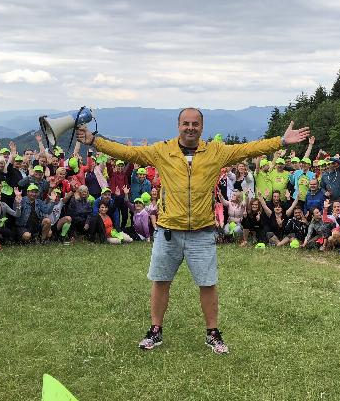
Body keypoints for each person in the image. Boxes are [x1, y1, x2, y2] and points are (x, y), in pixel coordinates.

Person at [77, 107, 309, 354]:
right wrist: (94, 141)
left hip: (201, 231)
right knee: (160, 281)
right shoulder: (162, 150)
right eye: (186, 123)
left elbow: (249, 149)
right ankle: (155, 330)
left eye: (195, 124)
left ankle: (212, 333)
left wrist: (281, 141)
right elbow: (128, 152)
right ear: (178, 126)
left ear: (202, 126)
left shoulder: (216, 152)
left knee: (208, 283)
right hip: (168, 230)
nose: (190, 128)